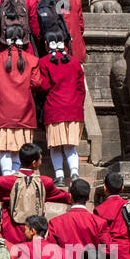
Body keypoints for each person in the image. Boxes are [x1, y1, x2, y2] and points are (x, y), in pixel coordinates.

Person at [0, 141, 70, 245]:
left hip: (10, 233)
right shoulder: (44, 182)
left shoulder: (6, 182)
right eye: (40, 159)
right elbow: (64, 196)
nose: (40, 162)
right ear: (34, 163)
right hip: (34, 233)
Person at [0, 41, 43, 177]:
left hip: (3, 109)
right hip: (25, 110)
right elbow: (37, 83)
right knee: (20, 148)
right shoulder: (32, 60)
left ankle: (6, 177)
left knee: (4, 148)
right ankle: (16, 175)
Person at [35, 48, 86, 188]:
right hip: (74, 109)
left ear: (46, 44)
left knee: (55, 146)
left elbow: (43, 86)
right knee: (70, 146)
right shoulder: (75, 62)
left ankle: (59, 175)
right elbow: (81, 88)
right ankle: (75, 173)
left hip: (54, 109)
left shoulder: (44, 62)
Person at [36, 0, 86, 64]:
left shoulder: (39, 0)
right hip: (75, 52)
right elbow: (81, 27)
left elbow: (38, 32)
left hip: (53, 56)